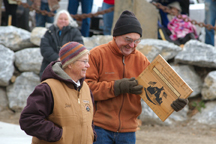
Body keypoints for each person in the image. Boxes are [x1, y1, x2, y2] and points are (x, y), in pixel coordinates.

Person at [85, 10, 188, 144]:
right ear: (115, 36)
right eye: (128, 40)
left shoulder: (142, 60)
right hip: (100, 128)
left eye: (136, 41)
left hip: (128, 131)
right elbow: (86, 90)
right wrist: (117, 87)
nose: (132, 45)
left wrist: (174, 102)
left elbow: (158, 89)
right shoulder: (96, 55)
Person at [19, 41, 97, 143]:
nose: (88, 66)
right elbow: (28, 120)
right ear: (70, 64)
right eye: (84, 61)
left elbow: (88, 119)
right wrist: (58, 135)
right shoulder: (47, 88)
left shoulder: (85, 88)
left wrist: (91, 134)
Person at [39, 9, 84, 78]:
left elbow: (78, 48)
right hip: (49, 66)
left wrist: (65, 59)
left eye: (65, 19)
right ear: (56, 20)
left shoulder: (75, 32)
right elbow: (45, 48)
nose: (63, 21)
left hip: (69, 67)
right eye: (60, 19)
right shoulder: (49, 31)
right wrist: (57, 58)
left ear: (69, 21)